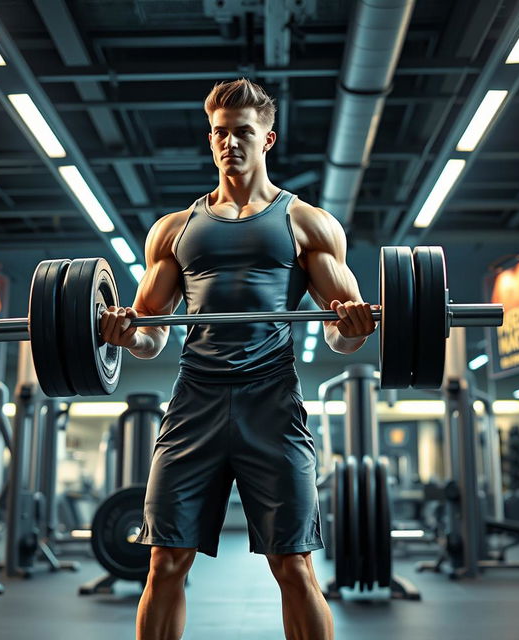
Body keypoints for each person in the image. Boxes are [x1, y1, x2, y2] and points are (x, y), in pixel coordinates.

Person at [100, 78, 377, 640]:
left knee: (294, 566)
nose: (231, 143)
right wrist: (126, 334)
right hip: (193, 403)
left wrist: (354, 329)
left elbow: (338, 337)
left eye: (242, 132)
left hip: (271, 403)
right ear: (210, 139)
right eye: (220, 133)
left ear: (267, 138)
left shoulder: (308, 224)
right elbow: (152, 337)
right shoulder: (173, 230)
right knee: (164, 561)